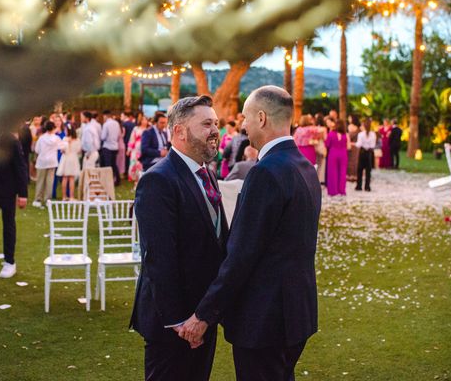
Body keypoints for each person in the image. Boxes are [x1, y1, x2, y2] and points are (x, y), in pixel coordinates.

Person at [179, 86, 321, 381]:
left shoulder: (265, 173)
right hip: (297, 312)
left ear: (261, 117)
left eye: (244, 117)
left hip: (264, 318)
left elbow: (242, 254)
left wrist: (205, 315)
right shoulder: (305, 167)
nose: (242, 125)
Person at [131, 95, 228, 381]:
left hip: (202, 315)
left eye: (216, 124)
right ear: (179, 131)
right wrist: (180, 322)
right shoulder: (158, 179)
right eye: (206, 124)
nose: (215, 131)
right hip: (172, 323)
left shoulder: (206, 173)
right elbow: (159, 258)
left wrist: (207, 314)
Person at [0, 132, 28, 278]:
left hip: (8, 189)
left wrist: (23, 194)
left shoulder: (12, 141)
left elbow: (21, 167)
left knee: (8, 224)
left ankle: (10, 262)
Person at [32, 120, 62, 208]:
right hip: (52, 161)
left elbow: (37, 150)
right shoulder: (56, 138)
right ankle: (47, 199)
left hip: (42, 161)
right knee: (50, 182)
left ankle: (38, 199)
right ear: (53, 128)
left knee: (40, 181)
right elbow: (61, 146)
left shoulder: (42, 138)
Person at [57, 124, 81, 200]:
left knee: (65, 177)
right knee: (71, 178)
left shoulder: (65, 139)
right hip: (73, 158)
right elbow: (79, 150)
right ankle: (71, 196)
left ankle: (64, 196)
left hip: (66, 158)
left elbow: (61, 149)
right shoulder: (77, 140)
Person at [325, 119, 348, 196]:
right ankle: (341, 190)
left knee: (332, 172)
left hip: (333, 153)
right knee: (342, 172)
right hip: (343, 153)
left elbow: (327, 144)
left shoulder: (331, 133)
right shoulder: (345, 135)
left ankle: (333, 191)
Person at [100, 110, 122, 185]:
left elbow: (103, 137)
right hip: (115, 146)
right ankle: (118, 179)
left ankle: (108, 181)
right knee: (114, 164)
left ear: (105, 116)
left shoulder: (106, 124)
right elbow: (119, 135)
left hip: (107, 147)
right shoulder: (116, 123)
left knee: (107, 165)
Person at [355, 117, 376, 192]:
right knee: (368, 170)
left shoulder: (361, 134)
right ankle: (367, 186)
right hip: (369, 153)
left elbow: (359, 144)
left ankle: (359, 185)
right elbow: (373, 145)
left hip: (362, 152)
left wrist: (354, 144)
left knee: (360, 170)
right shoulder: (373, 134)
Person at [127, 114, 148, 183]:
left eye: (146, 119)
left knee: (141, 166)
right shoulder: (136, 129)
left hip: (144, 150)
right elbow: (132, 139)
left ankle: (141, 180)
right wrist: (129, 149)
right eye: (143, 119)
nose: (145, 121)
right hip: (135, 150)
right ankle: (135, 181)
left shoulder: (149, 129)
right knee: (134, 165)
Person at [346, 115, 360, 182]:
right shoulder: (358, 127)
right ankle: (355, 175)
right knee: (355, 160)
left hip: (351, 145)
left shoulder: (350, 126)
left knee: (350, 161)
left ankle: (350, 175)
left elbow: (349, 136)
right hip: (356, 146)